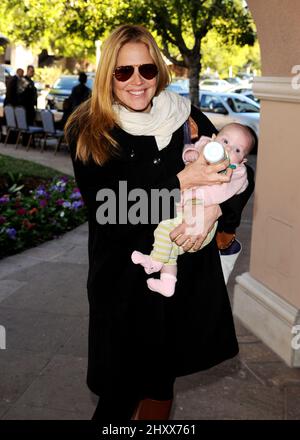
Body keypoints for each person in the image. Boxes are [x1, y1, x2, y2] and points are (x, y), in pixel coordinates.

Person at [65, 24, 255, 421]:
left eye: (146, 70)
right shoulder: (90, 129)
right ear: (107, 75)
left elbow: (238, 169)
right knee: (118, 393)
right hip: (124, 283)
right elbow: (110, 210)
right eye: (124, 72)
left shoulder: (184, 115)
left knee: (160, 383)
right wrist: (183, 182)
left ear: (159, 72)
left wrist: (216, 211)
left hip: (179, 281)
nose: (137, 82)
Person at [131, 122, 255, 296]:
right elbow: (192, 149)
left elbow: (245, 186)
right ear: (214, 138)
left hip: (199, 224)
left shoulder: (236, 171)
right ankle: (167, 282)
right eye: (225, 141)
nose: (227, 149)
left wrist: (217, 208)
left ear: (242, 160)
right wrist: (190, 155)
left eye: (236, 150)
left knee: (165, 230)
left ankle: (155, 261)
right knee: (171, 248)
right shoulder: (205, 148)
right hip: (180, 209)